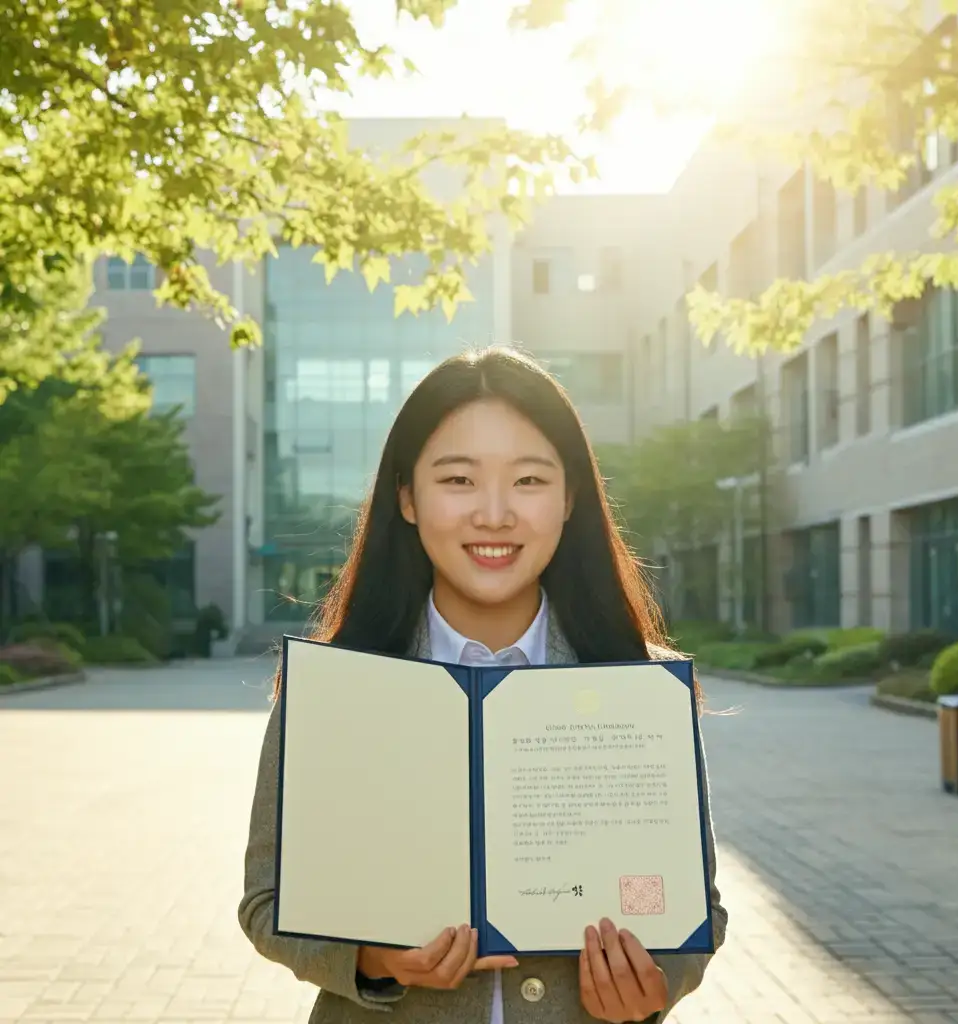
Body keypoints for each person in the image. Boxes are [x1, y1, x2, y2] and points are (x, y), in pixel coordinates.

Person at [238, 345, 727, 1024]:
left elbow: (698, 910)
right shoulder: (338, 686)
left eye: (529, 481)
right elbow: (266, 903)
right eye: (458, 480)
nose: (494, 515)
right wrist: (375, 961)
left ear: (570, 498)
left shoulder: (637, 686)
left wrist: (654, 990)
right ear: (406, 497)